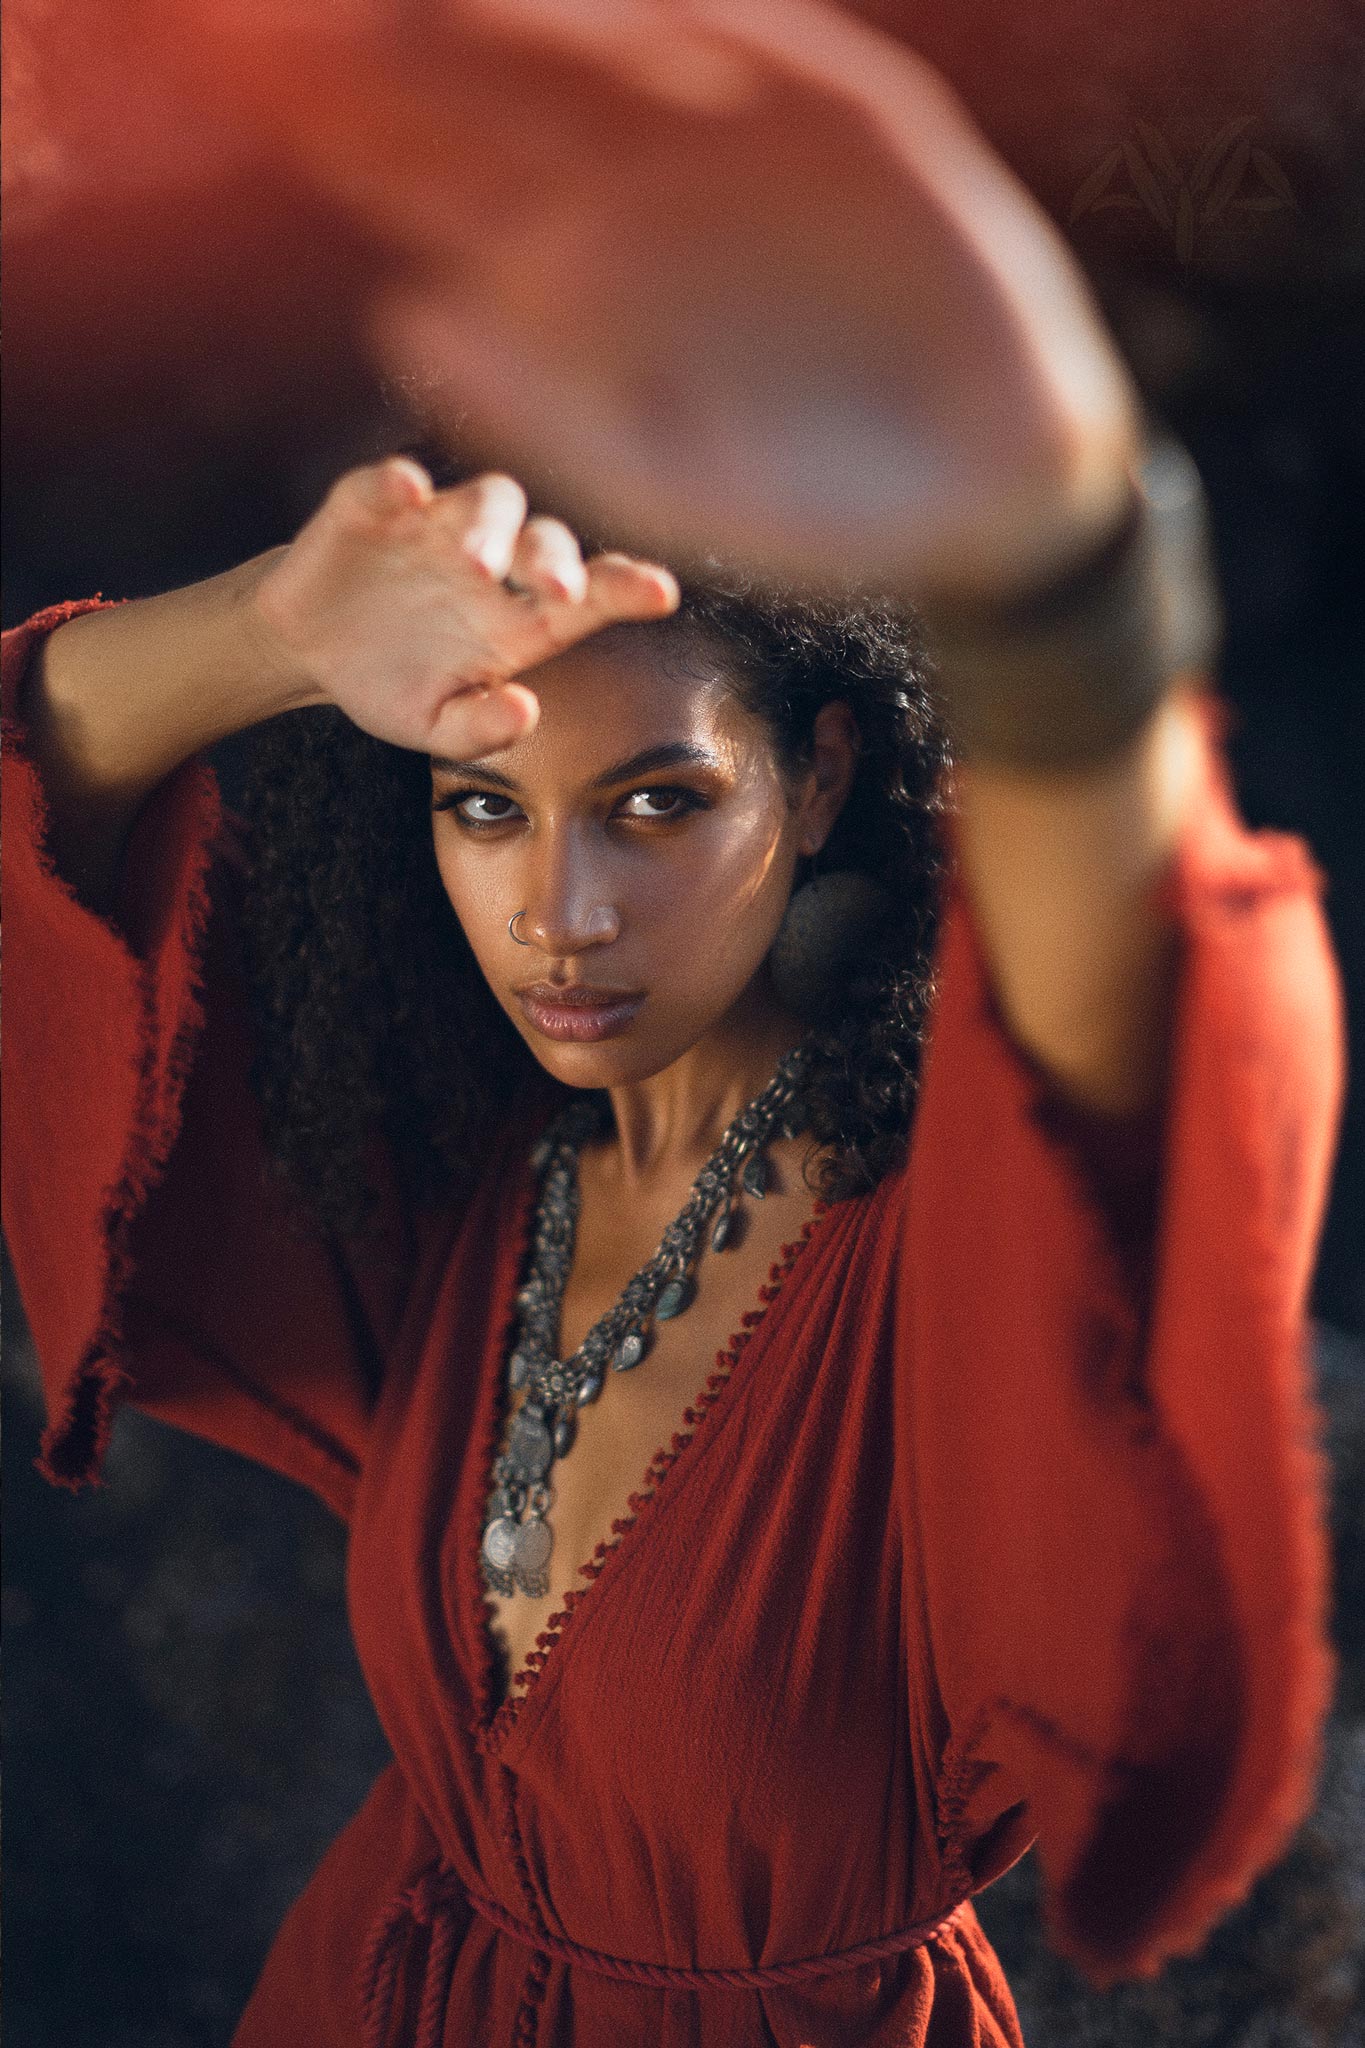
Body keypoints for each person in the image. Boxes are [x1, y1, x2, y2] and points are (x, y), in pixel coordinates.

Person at [1, 5, 1345, 2044]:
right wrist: (279, 626)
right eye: (485, 808)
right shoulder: (459, 1174)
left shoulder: (926, 1248)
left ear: (811, 785)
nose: (562, 913)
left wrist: (1052, 564)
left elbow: (1155, 1051)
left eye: (658, 805)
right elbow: (38, 824)